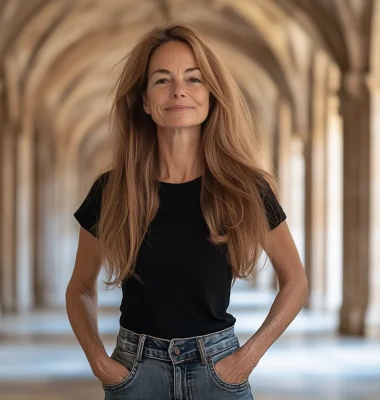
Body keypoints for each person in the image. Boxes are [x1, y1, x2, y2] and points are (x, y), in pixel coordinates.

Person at [66, 22, 309, 400]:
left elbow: (295, 281)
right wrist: (99, 360)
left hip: (219, 371)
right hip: (135, 373)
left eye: (193, 79)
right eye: (162, 80)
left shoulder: (245, 189)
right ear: (145, 101)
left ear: (211, 96)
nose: (179, 89)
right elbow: (81, 287)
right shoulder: (111, 190)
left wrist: (247, 358)